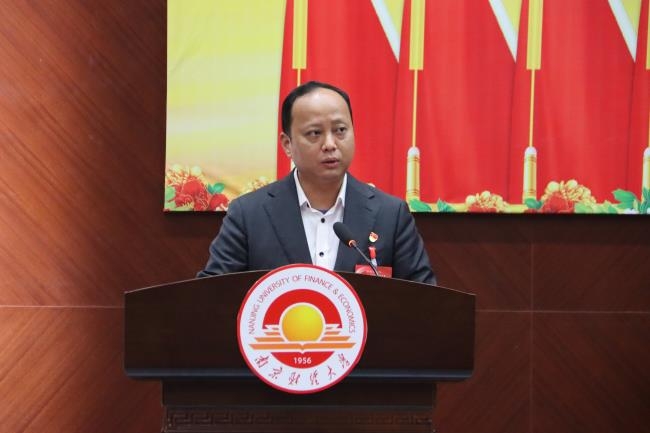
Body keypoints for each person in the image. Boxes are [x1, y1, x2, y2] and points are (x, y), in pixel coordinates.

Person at [198, 81, 436, 284]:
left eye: (340, 130)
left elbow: (425, 299)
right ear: (287, 144)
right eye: (314, 133)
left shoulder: (391, 215)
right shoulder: (249, 215)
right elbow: (211, 295)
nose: (330, 144)